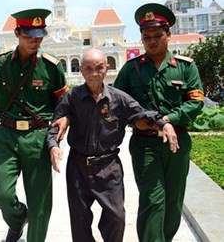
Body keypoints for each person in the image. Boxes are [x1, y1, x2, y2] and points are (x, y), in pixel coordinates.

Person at [47, 48, 178, 242]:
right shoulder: (72, 96)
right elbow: (56, 124)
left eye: (99, 68)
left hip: (109, 167)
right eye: (89, 68)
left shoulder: (119, 98)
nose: (94, 73)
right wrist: (54, 146)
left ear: (107, 68)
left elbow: (142, 113)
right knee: (80, 219)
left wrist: (163, 123)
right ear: (81, 70)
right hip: (78, 166)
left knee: (116, 217)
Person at [0, 8, 68, 242]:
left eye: (39, 37)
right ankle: (18, 218)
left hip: (38, 138)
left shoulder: (52, 67)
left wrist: (57, 135)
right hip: (6, 137)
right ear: (17, 33)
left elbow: (63, 105)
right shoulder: (2, 65)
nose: (35, 42)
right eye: (29, 37)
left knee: (40, 203)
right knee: (1, 193)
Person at [114, 3, 204, 242]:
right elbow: (117, 103)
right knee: (153, 200)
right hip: (145, 145)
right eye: (146, 37)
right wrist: (137, 120)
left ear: (168, 35)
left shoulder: (185, 67)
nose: (152, 41)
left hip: (177, 144)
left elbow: (195, 102)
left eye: (157, 36)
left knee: (173, 202)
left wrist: (167, 120)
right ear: (141, 39)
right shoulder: (131, 70)